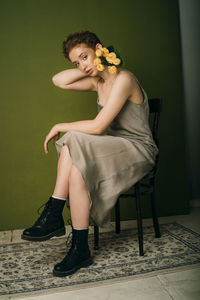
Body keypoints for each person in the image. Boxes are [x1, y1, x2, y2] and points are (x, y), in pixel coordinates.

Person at [21, 30, 159, 277]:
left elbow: (97, 127)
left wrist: (59, 126)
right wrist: (90, 64)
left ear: (99, 48)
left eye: (85, 56)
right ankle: (80, 249)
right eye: (76, 62)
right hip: (114, 147)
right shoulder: (98, 82)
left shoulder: (124, 78)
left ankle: (54, 212)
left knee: (72, 138)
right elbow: (58, 80)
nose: (82, 65)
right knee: (77, 171)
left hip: (138, 149)